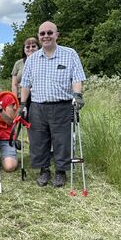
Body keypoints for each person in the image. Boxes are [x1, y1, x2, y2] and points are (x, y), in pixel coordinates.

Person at [19, 21, 86, 188]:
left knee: (62, 140)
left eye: (50, 32)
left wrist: (77, 95)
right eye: (42, 33)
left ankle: (61, 172)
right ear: (39, 36)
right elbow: (25, 84)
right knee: (38, 140)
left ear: (57, 34)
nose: (46, 36)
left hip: (61, 106)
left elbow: (77, 78)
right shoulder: (32, 59)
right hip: (38, 106)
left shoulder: (70, 54)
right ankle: (44, 170)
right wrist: (22, 105)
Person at [11, 37, 39, 102]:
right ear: (24, 49)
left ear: (38, 48)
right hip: (21, 98)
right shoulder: (18, 63)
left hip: (37, 99)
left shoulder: (43, 62)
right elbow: (14, 85)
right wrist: (15, 101)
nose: (31, 48)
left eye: (33, 46)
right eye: (28, 47)